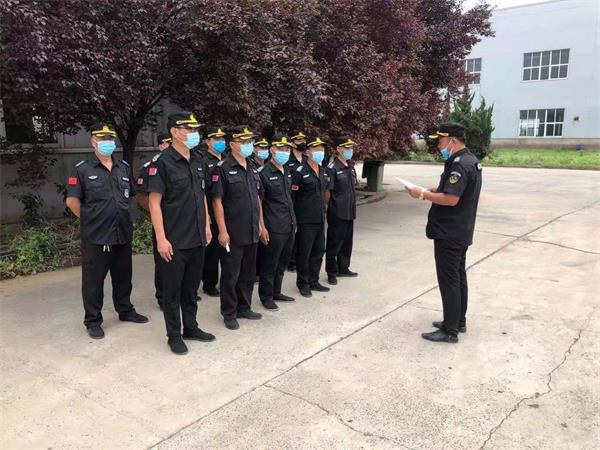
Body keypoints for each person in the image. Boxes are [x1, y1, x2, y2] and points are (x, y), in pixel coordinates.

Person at [66, 123, 148, 339]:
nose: (107, 143)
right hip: (97, 236)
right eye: (102, 139)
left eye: (110, 139)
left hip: (122, 233)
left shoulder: (123, 167)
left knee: (123, 277)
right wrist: (91, 220)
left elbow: (130, 197)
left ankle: (125, 310)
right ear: (93, 142)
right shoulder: (83, 169)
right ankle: (93, 320)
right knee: (94, 281)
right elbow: (72, 201)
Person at [407, 122, 482, 343]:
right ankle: (458, 321)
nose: (439, 146)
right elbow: (453, 192)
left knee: (449, 280)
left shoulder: (459, 165)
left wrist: (422, 194)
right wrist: (436, 191)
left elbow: (451, 199)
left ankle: (450, 331)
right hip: (460, 229)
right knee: (458, 277)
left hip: (449, 232)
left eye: (441, 142)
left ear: (452, 141)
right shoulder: (469, 160)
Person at [147, 112, 216, 355]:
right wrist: (161, 238)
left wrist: (206, 225)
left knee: (191, 289)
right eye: (189, 129)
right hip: (174, 240)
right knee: (172, 292)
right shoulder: (162, 163)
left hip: (197, 236)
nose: (194, 133)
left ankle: (191, 327)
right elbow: (154, 203)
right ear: (175, 132)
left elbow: (202, 194)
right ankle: (174, 335)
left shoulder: (197, 159)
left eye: (195, 129)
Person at [211, 126, 265, 330]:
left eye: (250, 141)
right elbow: (217, 201)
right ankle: (229, 313)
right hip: (233, 232)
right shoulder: (223, 168)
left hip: (251, 230)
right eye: (243, 141)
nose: (248, 145)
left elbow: (257, 198)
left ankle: (244, 307)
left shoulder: (252, 166)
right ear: (232, 144)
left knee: (248, 273)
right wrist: (222, 231)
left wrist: (261, 225)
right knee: (230, 275)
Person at [257, 134, 297, 309]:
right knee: (270, 264)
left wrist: (294, 222)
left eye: (287, 149)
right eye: (281, 149)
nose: (285, 152)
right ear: (272, 149)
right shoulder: (264, 173)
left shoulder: (286, 171)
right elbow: (259, 202)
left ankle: (276, 291)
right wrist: (262, 227)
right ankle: (266, 297)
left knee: (282, 262)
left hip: (288, 224)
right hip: (273, 225)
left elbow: (288, 199)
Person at [136, 133, 172, 310]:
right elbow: (142, 196)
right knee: (163, 262)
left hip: (181, 220)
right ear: (160, 146)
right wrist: (155, 211)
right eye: (166, 143)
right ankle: (163, 297)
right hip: (162, 221)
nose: (169, 146)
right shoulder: (151, 167)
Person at [291, 137, 330, 297]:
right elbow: (292, 197)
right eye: (316, 149)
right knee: (304, 253)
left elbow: (325, 193)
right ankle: (303, 283)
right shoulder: (299, 172)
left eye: (322, 149)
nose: (320, 152)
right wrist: (294, 220)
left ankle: (314, 280)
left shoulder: (323, 171)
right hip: (305, 220)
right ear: (307, 152)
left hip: (320, 218)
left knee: (318, 251)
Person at [325, 136, 359, 285]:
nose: (349, 150)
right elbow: (328, 192)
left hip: (349, 210)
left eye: (351, 148)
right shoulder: (332, 168)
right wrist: (332, 207)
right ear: (339, 149)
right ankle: (331, 272)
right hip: (337, 212)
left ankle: (343, 267)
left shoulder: (350, 166)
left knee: (347, 242)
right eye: (346, 147)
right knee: (334, 243)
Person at [201, 126, 228, 297]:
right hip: (211, 210)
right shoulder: (203, 161)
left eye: (222, 139)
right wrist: (206, 215)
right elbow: (203, 191)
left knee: (226, 249)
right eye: (216, 139)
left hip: (228, 210)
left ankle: (226, 280)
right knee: (211, 251)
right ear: (208, 142)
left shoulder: (227, 160)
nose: (220, 142)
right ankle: (209, 283)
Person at [285, 130, 307, 272]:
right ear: (292, 143)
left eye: (303, 140)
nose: (302, 143)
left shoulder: (306, 159)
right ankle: (291, 261)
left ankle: (299, 258)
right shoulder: (287, 160)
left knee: (303, 234)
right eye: (299, 141)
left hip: (304, 201)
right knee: (292, 232)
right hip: (291, 199)